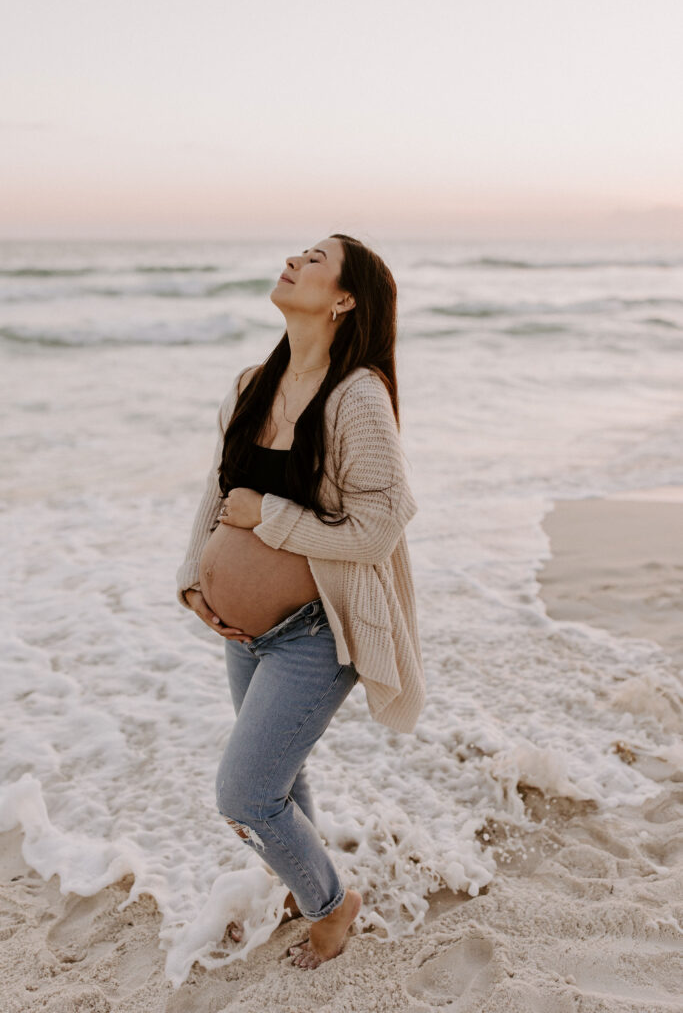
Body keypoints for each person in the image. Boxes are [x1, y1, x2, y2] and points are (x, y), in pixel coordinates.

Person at [176, 233, 424, 970]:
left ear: (344, 298)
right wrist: (194, 576)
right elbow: (220, 493)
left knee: (246, 795)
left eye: (315, 259)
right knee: (282, 778)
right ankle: (301, 884)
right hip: (242, 634)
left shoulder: (357, 395)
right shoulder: (253, 381)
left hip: (317, 631)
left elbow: (380, 526)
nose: (294, 260)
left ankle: (331, 904)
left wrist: (270, 520)